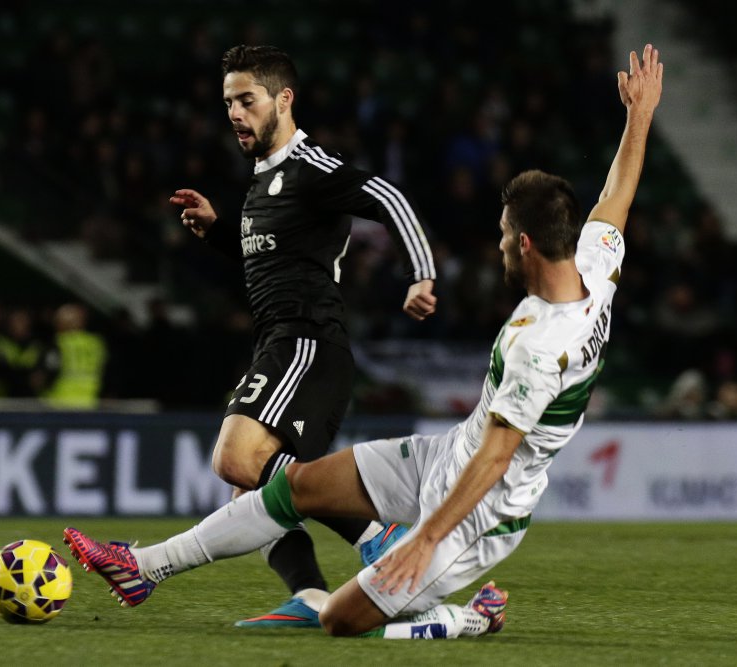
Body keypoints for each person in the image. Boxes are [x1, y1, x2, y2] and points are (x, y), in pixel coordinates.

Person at [64, 44, 664, 639]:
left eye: (504, 236)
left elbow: (497, 460)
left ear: (527, 244)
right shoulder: (595, 268)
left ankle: (466, 617)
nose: (498, 245)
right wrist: (638, 114)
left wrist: (426, 538)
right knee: (292, 484)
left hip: (482, 513)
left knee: (340, 619)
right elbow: (616, 198)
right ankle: (144, 568)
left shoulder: (541, 344)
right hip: (444, 455)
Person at [165, 45, 439, 627]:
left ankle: (376, 534)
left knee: (237, 459)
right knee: (251, 493)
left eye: (247, 100)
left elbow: (389, 198)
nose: (235, 113)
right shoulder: (264, 179)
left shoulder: (311, 167)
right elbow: (269, 258)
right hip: (283, 341)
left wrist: (422, 273)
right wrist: (219, 231)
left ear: (283, 100)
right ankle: (311, 596)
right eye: (228, 103)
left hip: (307, 340)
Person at [40, 302, 108, 409]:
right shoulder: (96, 344)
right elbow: (106, 370)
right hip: (90, 403)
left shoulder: (58, 343)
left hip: (59, 403)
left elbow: (46, 374)